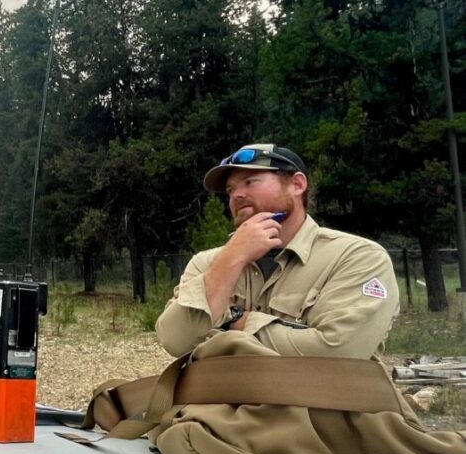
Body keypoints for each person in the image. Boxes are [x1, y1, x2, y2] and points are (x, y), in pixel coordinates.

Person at [156, 143, 400, 360]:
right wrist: (233, 257)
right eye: (230, 190)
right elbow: (175, 340)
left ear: (297, 184)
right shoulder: (208, 263)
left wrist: (233, 324)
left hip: (316, 410)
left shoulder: (356, 258)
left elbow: (339, 351)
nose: (237, 195)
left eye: (250, 182)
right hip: (217, 409)